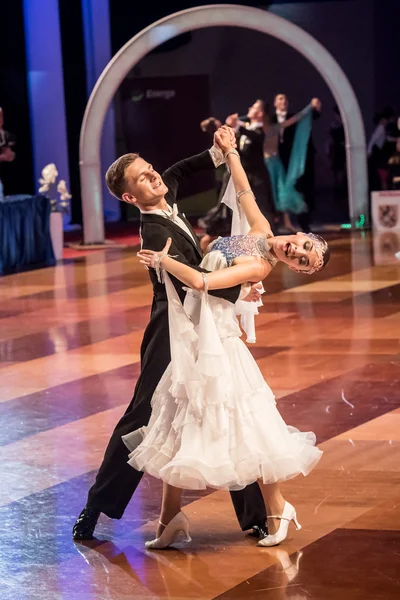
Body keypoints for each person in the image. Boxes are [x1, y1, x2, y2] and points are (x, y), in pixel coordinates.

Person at [124, 126, 329, 550]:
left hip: (218, 344)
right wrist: (230, 149)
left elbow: (202, 282)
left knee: (242, 424)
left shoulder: (259, 268)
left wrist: (165, 261)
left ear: (300, 269)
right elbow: (243, 189)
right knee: (183, 420)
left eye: (304, 261)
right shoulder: (259, 229)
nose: (297, 251)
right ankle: (169, 521)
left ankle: (278, 509)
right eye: (304, 245)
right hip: (199, 337)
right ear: (300, 234)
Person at [72, 138, 266, 541]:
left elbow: (176, 171)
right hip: (171, 328)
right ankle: (96, 507)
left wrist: (216, 152)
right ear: (130, 196)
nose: (154, 176)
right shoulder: (153, 234)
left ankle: (256, 516)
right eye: (143, 177)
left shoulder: (165, 193)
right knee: (143, 416)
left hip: (201, 319)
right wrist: (240, 287)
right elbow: (194, 283)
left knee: (222, 403)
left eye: (149, 168)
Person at [263, 98, 321, 233]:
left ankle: (290, 222)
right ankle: (275, 224)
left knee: (282, 192)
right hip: (265, 164)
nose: (284, 101)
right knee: (271, 193)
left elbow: (295, 119)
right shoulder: (258, 127)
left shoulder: (275, 126)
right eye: (280, 99)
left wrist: (309, 108)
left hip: (277, 163)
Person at [225, 99, 276, 228]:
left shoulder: (261, 129)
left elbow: (255, 136)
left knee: (263, 205)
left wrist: (238, 124)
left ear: (260, 113)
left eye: (253, 107)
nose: (249, 108)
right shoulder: (246, 127)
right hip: (246, 174)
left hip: (257, 176)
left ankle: (270, 236)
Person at [198, 117, 232, 251]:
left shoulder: (218, 139)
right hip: (227, 178)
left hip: (226, 178)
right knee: (221, 212)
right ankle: (200, 259)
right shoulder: (221, 139)